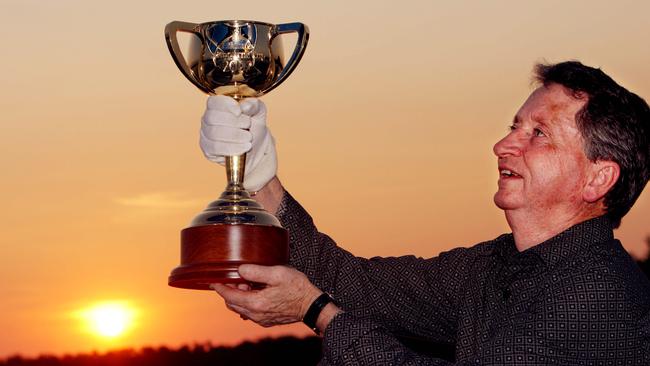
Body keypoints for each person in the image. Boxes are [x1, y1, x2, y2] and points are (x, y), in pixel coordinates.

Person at [201, 61, 650, 365]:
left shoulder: (600, 297)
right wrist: (259, 173)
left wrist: (316, 311)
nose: (502, 146)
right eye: (514, 126)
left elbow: (329, 297)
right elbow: (352, 282)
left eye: (538, 134)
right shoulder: (493, 266)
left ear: (597, 180)